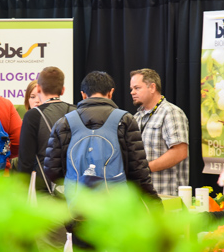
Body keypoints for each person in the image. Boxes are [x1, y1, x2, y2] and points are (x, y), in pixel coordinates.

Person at [44, 71, 161, 204]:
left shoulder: (64, 123)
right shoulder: (125, 120)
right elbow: (138, 170)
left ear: (83, 94)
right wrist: (154, 202)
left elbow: (52, 171)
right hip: (115, 204)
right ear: (111, 92)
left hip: (77, 203)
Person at [129, 68, 189, 196]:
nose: (132, 92)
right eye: (131, 89)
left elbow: (180, 152)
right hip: (141, 196)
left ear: (152, 87)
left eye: (137, 88)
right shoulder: (136, 117)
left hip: (166, 195)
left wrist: (145, 169)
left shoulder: (171, 113)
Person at [17, 67, 76, 194]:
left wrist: (20, 193)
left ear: (38, 88)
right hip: (75, 187)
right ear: (63, 90)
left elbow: (25, 161)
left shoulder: (32, 116)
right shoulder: (77, 112)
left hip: (45, 188)